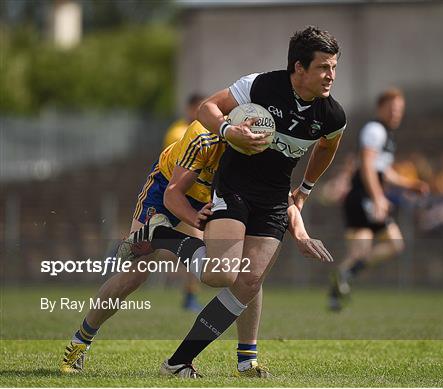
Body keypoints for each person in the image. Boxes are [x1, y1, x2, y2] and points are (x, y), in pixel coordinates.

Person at [60, 120, 325, 378]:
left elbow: (281, 198)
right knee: (136, 272)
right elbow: (173, 193)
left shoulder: (262, 149)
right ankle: (80, 342)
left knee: (250, 268)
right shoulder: (202, 137)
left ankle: (247, 359)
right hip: (168, 189)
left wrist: (301, 234)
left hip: (215, 198)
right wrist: (194, 218)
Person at [158, 26, 346, 378]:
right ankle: (167, 239)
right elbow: (206, 108)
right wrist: (228, 129)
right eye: (323, 67)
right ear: (299, 68)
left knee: (248, 283)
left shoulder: (331, 115)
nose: (331, 76)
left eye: (334, 67)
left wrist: (304, 189)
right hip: (234, 188)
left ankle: (179, 362)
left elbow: (328, 146)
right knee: (222, 275)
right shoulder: (259, 86)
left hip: (274, 201)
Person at [328, 88, 429, 311]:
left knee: (378, 248)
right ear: (380, 108)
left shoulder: (385, 133)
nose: (396, 114)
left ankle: (341, 283)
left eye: (400, 110)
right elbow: (366, 166)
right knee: (385, 245)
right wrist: (378, 198)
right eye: (392, 109)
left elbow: (385, 171)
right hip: (362, 197)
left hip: (366, 197)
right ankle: (343, 279)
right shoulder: (375, 130)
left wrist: (410, 184)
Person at [162, 92, 206, 312]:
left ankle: (190, 295)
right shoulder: (178, 132)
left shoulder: (206, 131)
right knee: (196, 245)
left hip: (195, 197)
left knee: (196, 247)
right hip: (178, 197)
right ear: (189, 109)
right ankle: (189, 296)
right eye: (198, 108)